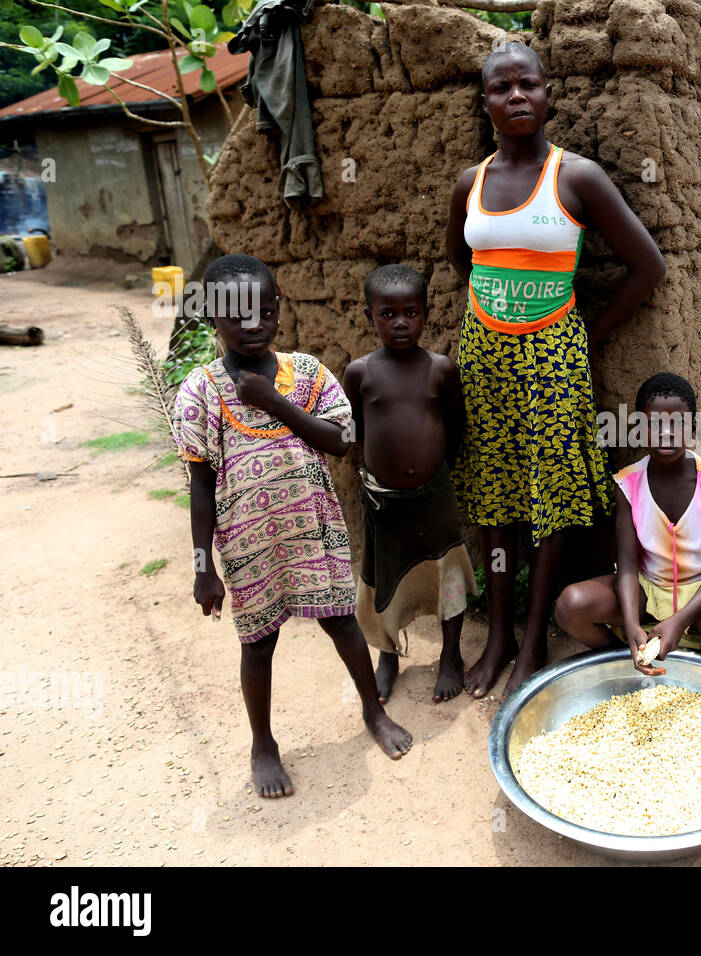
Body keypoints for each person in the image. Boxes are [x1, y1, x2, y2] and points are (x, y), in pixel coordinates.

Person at [446, 41, 666, 696]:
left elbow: (646, 267)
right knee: (494, 501)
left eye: (528, 85)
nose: (516, 97)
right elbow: (461, 260)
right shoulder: (471, 183)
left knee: (548, 501)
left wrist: (582, 335)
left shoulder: (578, 178)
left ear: (548, 95)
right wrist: (495, 313)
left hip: (554, 362)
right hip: (484, 359)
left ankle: (533, 639)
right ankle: (500, 634)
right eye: (500, 88)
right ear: (484, 102)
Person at [174, 253, 412, 799]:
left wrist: (273, 402)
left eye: (264, 310)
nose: (254, 324)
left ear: (279, 308)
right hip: (249, 545)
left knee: (343, 624)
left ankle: (372, 712)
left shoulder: (306, 374)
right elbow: (200, 483)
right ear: (213, 318)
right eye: (237, 316)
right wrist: (201, 566)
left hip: (314, 532)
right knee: (258, 644)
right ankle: (263, 743)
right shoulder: (202, 391)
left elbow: (339, 441)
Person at [555, 373, 701, 674]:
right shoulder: (628, 484)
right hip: (647, 590)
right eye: (654, 424)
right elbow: (627, 564)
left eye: (678, 424)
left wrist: (680, 619)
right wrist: (631, 623)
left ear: (693, 429)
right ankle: (631, 657)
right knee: (570, 605)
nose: (666, 433)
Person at [343, 265, 478, 704]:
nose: (400, 322)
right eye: (388, 314)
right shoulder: (360, 373)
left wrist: (432, 468)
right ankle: (387, 655)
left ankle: (452, 654)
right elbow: (356, 431)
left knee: (446, 571)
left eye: (411, 312)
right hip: (383, 501)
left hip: (434, 494)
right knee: (383, 575)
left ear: (425, 314)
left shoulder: (440, 369)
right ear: (370, 317)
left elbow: (456, 428)